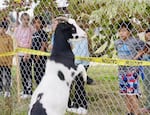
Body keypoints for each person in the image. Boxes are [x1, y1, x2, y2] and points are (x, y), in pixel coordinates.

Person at [114, 21, 145, 115]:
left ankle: (136, 113)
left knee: (132, 94)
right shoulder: (117, 42)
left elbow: (145, 48)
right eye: (120, 31)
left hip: (132, 71)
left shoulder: (135, 41)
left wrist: (135, 58)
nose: (121, 33)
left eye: (124, 31)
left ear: (129, 32)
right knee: (126, 94)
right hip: (121, 71)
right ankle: (129, 112)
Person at [13, 13, 34, 99]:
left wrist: (27, 52)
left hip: (27, 53)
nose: (26, 21)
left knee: (27, 72)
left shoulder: (29, 29)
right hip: (20, 53)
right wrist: (20, 47)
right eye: (25, 19)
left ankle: (29, 91)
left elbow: (30, 42)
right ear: (21, 20)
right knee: (22, 72)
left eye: (28, 19)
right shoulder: (17, 29)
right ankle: (25, 90)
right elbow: (16, 40)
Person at [134, 28, 150, 113]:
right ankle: (148, 106)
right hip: (146, 70)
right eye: (147, 34)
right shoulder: (145, 45)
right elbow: (141, 52)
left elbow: (141, 53)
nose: (148, 36)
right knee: (147, 87)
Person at [31, 15, 48, 87]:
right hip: (35, 58)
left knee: (42, 73)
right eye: (35, 22)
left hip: (41, 58)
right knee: (36, 74)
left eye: (38, 22)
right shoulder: (34, 34)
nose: (36, 24)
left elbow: (43, 45)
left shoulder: (43, 33)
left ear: (42, 23)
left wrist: (38, 55)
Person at [0, 21, 13, 97]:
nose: (0, 29)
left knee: (7, 76)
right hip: (0, 62)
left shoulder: (9, 38)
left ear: (5, 29)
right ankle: (0, 89)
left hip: (7, 61)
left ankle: (7, 91)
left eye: (1, 28)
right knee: (0, 76)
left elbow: (11, 50)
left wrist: (10, 61)